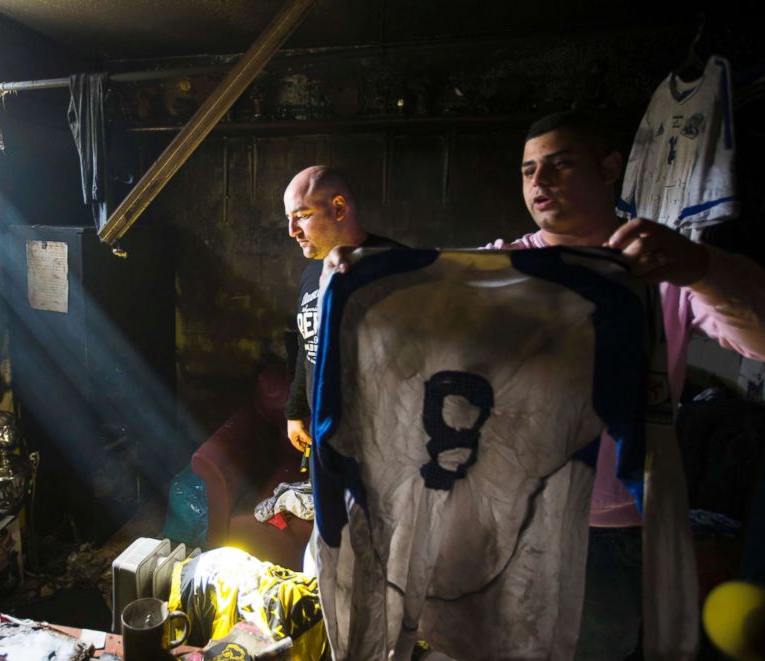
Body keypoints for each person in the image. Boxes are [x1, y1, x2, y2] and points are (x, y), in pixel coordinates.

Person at [321, 110, 765, 659]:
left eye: (559, 166)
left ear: (608, 169)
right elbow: (421, 301)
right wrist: (361, 270)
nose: (539, 182)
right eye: (529, 170)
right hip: (503, 515)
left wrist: (699, 265)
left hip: (608, 529)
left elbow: (760, 338)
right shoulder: (508, 267)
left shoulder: (652, 271)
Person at [282, 165, 401, 456]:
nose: (292, 231)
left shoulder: (396, 265)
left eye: (302, 216)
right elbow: (306, 345)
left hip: (380, 443)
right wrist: (295, 411)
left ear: (338, 208)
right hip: (325, 435)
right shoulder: (311, 273)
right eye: (289, 219)